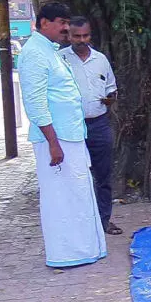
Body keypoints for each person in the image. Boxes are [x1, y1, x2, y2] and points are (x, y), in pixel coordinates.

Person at [18, 2, 106, 268]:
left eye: (68, 22)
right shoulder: (34, 53)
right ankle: (66, 253)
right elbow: (35, 102)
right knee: (60, 197)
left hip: (70, 134)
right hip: (55, 138)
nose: (66, 28)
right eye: (61, 22)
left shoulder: (49, 51)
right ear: (44, 22)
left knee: (78, 192)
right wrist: (53, 142)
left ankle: (84, 248)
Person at [59, 16, 121, 235]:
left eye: (85, 35)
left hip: (99, 123)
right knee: (75, 175)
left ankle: (103, 221)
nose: (82, 40)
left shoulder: (100, 59)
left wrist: (111, 98)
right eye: (77, 36)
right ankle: (79, 224)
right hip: (72, 126)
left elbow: (111, 87)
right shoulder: (60, 59)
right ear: (68, 35)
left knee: (103, 175)